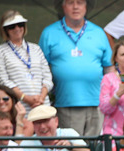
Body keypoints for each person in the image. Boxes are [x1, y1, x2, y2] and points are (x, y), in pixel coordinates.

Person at [39, 0, 111, 138]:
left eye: (80, 2)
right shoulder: (49, 33)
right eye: (70, 2)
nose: (76, 6)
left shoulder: (98, 32)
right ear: (63, 6)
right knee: (71, 149)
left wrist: (110, 97)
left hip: (97, 104)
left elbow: (109, 68)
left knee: (94, 150)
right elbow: (40, 69)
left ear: (86, 6)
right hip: (66, 103)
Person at [0, 11, 52, 114]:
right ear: (5, 30)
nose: (17, 28)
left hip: (43, 104)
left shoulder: (36, 48)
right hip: (20, 107)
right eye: (12, 26)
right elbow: (3, 81)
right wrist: (25, 98)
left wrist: (41, 97)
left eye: (20, 24)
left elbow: (47, 76)